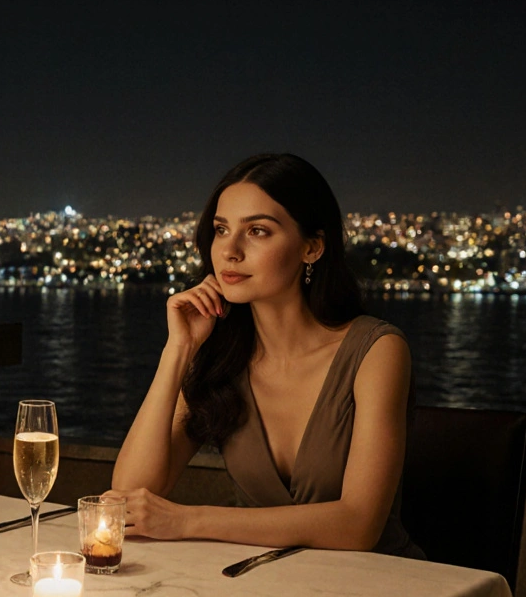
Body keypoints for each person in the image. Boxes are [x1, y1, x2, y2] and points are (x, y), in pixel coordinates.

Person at [107, 153, 423, 559]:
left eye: (257, 231)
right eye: (221, 230)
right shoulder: (221, 357)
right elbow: (129, 497)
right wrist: (179, 350)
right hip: (265, 588)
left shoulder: (377, 351)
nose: (230, 251)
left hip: (383, 593)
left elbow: (359, 525)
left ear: (312, 247)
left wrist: (189, 520)